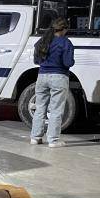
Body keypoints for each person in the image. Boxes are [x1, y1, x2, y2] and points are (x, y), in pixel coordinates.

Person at [30, 18, 74, 148]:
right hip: (59, 77)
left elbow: (36, 61)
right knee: (56, 110)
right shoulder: (65, 42)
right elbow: (68, 63)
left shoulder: (42, 41)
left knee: (40, 108)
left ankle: (35, 137)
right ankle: (53, 140)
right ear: (65, 29)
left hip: (42, 76)